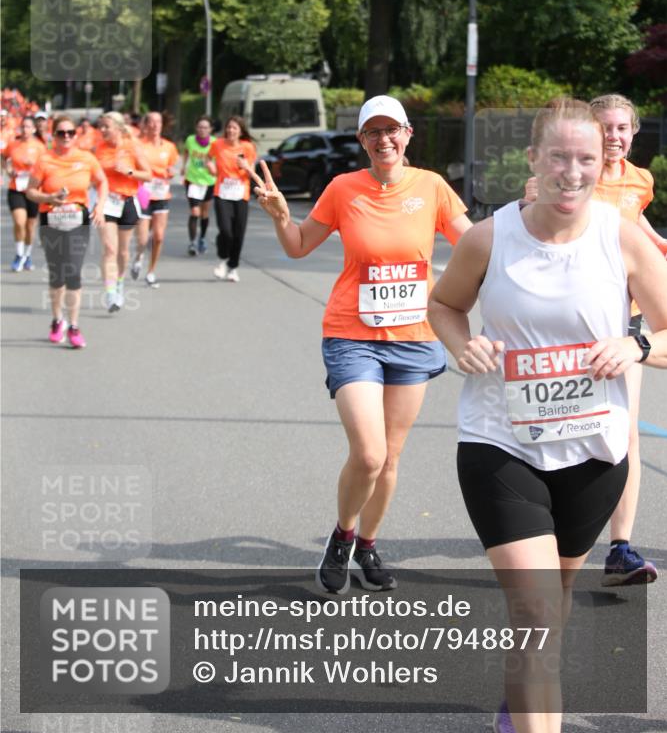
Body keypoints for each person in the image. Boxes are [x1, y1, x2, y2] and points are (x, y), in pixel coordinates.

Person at [428, 98, 667, 733]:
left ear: (604, 161)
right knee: (535, 610)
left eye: (585, 158)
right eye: (558, 156)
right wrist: (461, 343)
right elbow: (445, 306)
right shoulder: (489, 236)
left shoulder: (622, 236)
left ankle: (520, 704)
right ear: (532, 160)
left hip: (593, 453)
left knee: (550, 611)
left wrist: (637, 343)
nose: (572, 171)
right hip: (499, 443)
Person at [254, 95, 471, 595]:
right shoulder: (343, 188)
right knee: (369, 454)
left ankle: (367, 544)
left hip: (414, 339)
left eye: (391, 130)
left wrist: (530, 221)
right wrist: (280, 215)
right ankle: (342, 536)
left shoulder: (432, 187)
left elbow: (476, 243)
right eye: (372, 132)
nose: (383, 140)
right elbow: (298, 245)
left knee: (391, 458)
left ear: (408, 134)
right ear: (361, 141)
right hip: (352, 333)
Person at [525, 93, 665, 586]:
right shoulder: (561, 177)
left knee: (623, 435)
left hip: (620, 326)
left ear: (633, 133)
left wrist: (658, 244)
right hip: (562, 329)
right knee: (557, 428)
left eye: (623, 128)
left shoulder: (639, 181)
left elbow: (633, 223)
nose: (614, 136)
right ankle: (544, 529)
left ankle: (620, 548)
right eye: (605, 126)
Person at [25, 114, 108, 348]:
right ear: (54, 135)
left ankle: (73, 326)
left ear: (76, 135)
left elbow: (102, 182)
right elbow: (30, 191)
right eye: (61, 133)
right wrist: (49, 197)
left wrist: (100, 206)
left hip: (77, 221)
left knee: (73, 271)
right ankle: (56, 319)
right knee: (56, 274)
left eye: (71, 132)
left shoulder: (87, 158)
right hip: (50, 220)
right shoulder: (44, 160)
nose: (67, 137)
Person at [94, 112, 151, 311]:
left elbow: (148, 175)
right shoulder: (99, 149)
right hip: (106, 202)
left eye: (105, 126)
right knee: (110, 249)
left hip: (127, 201)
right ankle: (110, 294)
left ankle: (119, 282)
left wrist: (129, 171)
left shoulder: (132, 146)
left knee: (123, 251)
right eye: (100, 126)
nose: (102, 130)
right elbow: (93, 175)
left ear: (118, 127)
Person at [131, 112, 179, 287]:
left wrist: (170, 173)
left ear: (162, 125)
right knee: (143, 239)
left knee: (158, 236)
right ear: (145, 125)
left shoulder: (169, 147)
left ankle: (151, 272)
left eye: (158, 122)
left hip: (161, 194)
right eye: (151, 122)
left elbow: (172, 168)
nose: (155, 125)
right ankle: (138, 257)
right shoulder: (138, 146)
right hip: (143, 192)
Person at [210, 115, 257, 282]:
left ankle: (233, 267)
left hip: (240, 193)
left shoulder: (248, 147)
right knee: (225, 230)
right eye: (229, 127)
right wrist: (210, 166)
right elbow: (208, 157)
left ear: (240, 131)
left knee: (238, 233)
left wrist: (245, 167)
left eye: (234, 128)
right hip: (222, 193)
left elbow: (252, 170)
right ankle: (222, 259)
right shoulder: (217, 144)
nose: (231, 130)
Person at [2, 115, 45, 271]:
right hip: (16, 188)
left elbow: (46, 167)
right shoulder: (13, 145)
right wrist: (8, 170)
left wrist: (34, 168)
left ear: (33, 129)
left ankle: (27, 256)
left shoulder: (40, 147)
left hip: (33, 190)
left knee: (30, 226)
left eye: (28, 127)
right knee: (19, 223)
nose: (25, 130)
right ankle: (19, 254)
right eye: (23, 126)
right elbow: (3, 156)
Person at [182, 115, 217, 256]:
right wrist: (184, 165)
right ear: (196, 128)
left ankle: (202, 238)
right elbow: (185, 151)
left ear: (210, 130)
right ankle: (192, 243)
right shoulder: (190, 140)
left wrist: (215, 169)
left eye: (206, 127)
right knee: (195, 212)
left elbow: (219, 158)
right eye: (200, 127)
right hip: (192, 181)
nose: (202, 130)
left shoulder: (215, 143)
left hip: (209, 181)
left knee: (204, 213)